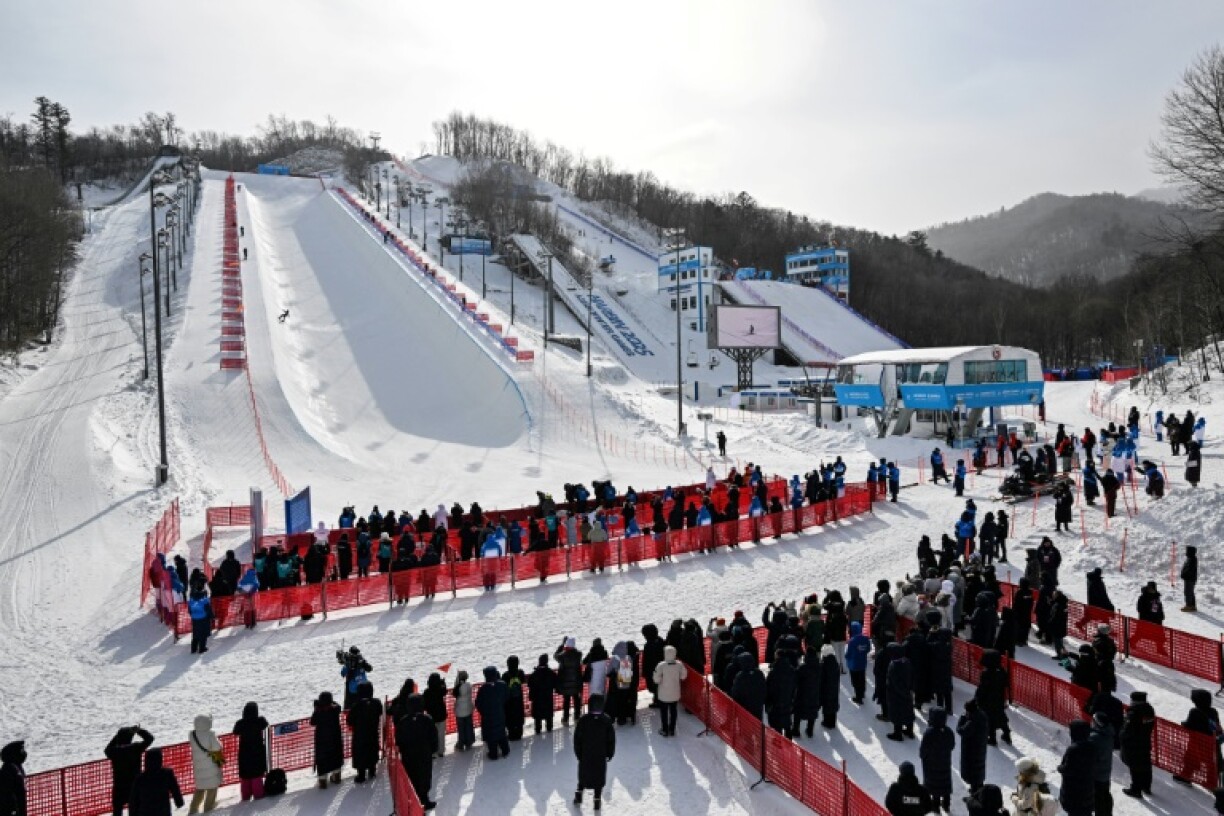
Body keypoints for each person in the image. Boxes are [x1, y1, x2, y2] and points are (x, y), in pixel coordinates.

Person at [573, 694, 616, 811]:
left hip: (585, 756)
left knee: (583, 777)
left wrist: (578, 754)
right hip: (600, 756)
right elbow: (611, 740)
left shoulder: (583, 720)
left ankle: (579, 795)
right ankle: (597, 800)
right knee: (598, 778)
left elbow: (577, 739)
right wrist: (610, 753)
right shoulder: (606, 720)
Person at [394, 695, 437, 811]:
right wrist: (432, 750)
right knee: (424, 777)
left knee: (412, 778)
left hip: (409, 757)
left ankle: (413, 801)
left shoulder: (403, 721)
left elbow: (398, 740)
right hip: (424, 755)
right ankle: (424, 800)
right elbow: (433, 737)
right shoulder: (427, 719)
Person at [1175, 688, 1222, 785]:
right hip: (1211, 742)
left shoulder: (1194, 712)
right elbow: (1215, 726)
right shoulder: (1213, 711)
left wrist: (1184, 724)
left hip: (1196, 742)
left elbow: (1189, 725)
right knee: (1211, 763)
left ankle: (1186, 776)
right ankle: (1211, 782)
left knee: (1190, 758)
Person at [105, 725, 154, 816]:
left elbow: (106, 750)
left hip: (119, 787)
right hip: (134, 786)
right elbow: (150, 739)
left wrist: (117, 736)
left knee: (117, 812)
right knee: (135, 811)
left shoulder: (114, 751)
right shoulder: (135, 748)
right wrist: (138, 731)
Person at [1120, 690, 1156, 798]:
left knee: (1134, 767)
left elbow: (1127, 730)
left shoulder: (1133, 713)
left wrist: (1121, 737)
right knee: (1146, 764)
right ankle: (1146, 786)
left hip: (1133, 744)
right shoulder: (1149, 710)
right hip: (1145, 741)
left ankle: (1136, 789)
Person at [127, 749, 184, 816]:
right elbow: (175, 789)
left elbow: (133, 799)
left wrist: (132, 813)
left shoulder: (140, 778)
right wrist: (179, 802)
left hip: (145, 812)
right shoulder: (167, 774)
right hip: (163, 811)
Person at [919, 706, 955, 812]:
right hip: (945, 762)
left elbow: (923, 749)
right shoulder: (948, 731)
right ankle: (946, 804)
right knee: (945, 782)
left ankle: (936, 806)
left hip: (931, 764)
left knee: (934, 785)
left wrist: (924, 757)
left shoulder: (929, 733)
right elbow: (952, 745)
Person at [1058, 720, 1095, 816]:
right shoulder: (1091, 746)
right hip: (1088, 791)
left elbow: (1067, 769)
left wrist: (1060, 768)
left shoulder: (1073, 750)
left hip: (1074, 794)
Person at [348, 683, 383, 784]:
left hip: (360, 735)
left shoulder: (356, 705)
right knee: (372, 750)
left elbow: (350, 720)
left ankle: (361, 775)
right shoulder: (377, 702)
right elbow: (380, 712)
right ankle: (372, 771)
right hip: (372, 732)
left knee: (360, 753)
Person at [186, 715, 222, 814]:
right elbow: (217, 747)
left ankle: (193, 809)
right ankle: (208, 809)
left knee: (200, 788)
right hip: (210, 766)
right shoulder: (210, 734)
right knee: (211, 788)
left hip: (198, 767)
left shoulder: (192, 734)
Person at [232, 703, 268, 802]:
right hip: (257, 751)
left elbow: (235, 732)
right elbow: (265, 724)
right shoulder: (259, 721)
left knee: (245, 776)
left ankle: (245, 797)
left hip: (244, 752)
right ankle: (258, 795)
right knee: (256, 775)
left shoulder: (240, 723)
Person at [975, 650, 1010, 746]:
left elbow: (982, 688)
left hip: (988, 700)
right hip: (999, 698)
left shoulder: (986, 673)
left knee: (989, 719)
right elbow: (1006, 684)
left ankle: (992, 739)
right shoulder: (1002, 671)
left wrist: (977, 698)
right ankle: (1007, 734)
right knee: (1001, 716)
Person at [475, 666, 510, 760]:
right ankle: (505, 750)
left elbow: (478, 704)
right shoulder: (502, 685)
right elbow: (507, 697)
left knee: (491, 736)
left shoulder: (483, 689)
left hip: (488, 717)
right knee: (501, 732)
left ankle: (493, 754)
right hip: (500, 713)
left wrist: (484, 712)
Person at [653, 645, 688, 737]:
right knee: (673, 711)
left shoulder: (661, 665)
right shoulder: (679, 664)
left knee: (664, 712)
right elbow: (684, 676)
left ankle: (664, 729)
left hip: (663, 694)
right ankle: (672, 729)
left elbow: (656, 679)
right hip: (675, 692)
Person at [311, 691, 343, 789]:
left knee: (322, 759)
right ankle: (337, 776)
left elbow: (312, 722)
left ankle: (322, 780)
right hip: (335, 738)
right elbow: (338, 705)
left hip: (322, 741)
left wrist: (316, 707)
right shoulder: (335, 709)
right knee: (336, 756)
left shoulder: (319, 712)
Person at [958, 699, 989, 794]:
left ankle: (975, 793)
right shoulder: (982, 715)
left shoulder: (972, 722)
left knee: (972, 773)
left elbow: (961, 730)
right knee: (979, 770)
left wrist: (962, 719)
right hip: (980, 748)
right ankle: (979, 788)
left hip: (971, 751)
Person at [885, 642, 915, 741]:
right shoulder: (907, 661)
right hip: (907, 691)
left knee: (897, 713)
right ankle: (909, 731)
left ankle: (897, 734)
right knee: (908, 711)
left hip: (896, 694)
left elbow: (894, 682)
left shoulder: (893, 666)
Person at [1089, 710, 1115, 816]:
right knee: (1105, 795)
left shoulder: (1094, 738)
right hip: (1105, 773)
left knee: (1098, 800)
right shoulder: (1108, 734)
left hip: (1096, 775)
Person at [845, 622, 871, 705]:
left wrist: (847, 657)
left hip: (853, 664)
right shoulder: (865, 638)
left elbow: (848, 653)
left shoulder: (852, 641)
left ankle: (858, 697)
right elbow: (868, 649)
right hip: (862, 662)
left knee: (855, 681)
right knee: (862, 678)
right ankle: (862, 693)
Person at [503, 656, 528, 741]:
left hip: (509, 700)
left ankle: (511, 734)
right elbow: (524, 681)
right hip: (518, 699)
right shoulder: (520, 673)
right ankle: (519, 733)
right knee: (519, 714)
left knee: (510, 716)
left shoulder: (505, 675)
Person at [0, 741, 26, 816]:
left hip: (19, 806)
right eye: (21, 751)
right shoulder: (8, 769)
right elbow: (7, 792)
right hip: (11, 810)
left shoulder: (17, 766)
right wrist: (13, 809)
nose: (24, 753)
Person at [453, 671, 475, 751]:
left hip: (459, 712)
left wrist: (457, 679)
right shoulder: (469, 686)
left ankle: (461, 743)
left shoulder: (458, 688)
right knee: (469, 727)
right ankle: (469, 741)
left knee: (461, 729)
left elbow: (455, 689)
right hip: (468, 709)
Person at [187, 590, 213, 655]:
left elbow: (189, 611)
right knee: (203, 634)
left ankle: (193, 649)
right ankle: (202, 648)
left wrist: (193, 616)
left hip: (195, 619)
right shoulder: (205, 600)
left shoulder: (191, 601)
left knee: (195, 633)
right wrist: (212, 617)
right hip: (203, 619)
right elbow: (208, 610)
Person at [1182, 545, 1199, 612]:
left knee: (1188, 592)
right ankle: (1192, 606)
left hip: (1189, 579)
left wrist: (1184, 575)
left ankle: (1188, 606)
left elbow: (1190, 570)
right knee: (1190, 592)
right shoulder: (1191, 558)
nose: (1186, 552)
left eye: (1187, 550)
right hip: (1190, 578)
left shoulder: (1192, 559)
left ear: (1190, 551)